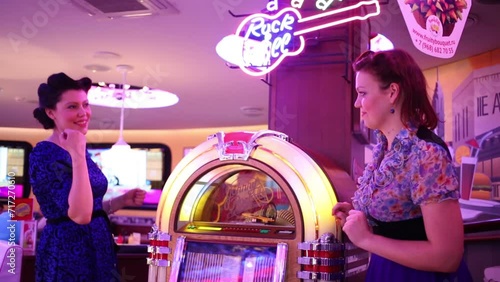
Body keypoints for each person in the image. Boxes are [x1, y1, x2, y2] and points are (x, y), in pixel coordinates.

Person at [333, 49, 472, 281]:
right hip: (386, 269)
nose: (358, 103)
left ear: (392, 92)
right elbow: (399, 222)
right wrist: (361, 218)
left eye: (363, 93)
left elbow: (448, 256)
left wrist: (367, 239)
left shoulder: (426, 153)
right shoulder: (386, 149)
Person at [30, 72, 146, 281]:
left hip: (98, 246)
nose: (83, 113)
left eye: (85, 104)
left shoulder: (79, 150)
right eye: (72, 106)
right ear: (51, 112)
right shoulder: (44, 154)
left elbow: (92, 207)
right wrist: (77, 155)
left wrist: (122, 200)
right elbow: (79, 215)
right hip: (67, 251)